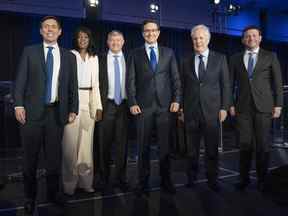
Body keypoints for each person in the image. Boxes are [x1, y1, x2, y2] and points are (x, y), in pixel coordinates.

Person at [14, 16, 78, 215]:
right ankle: (29, 197)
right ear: (41, 31)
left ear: (60, 32)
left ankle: (53, 194)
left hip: (56, 114)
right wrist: (18, 105)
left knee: (53, 159)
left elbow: (72, 87)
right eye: (46, 27)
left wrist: (73, 109)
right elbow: (20, 81)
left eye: (53, 27)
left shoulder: (69, 56)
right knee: (30, 160)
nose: (50, 29)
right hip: (31, 114)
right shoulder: (29, 52)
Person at [126, 19, 181, 195]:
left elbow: (176, 79)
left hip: (165, 107)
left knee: (165, 147)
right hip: (143, 107)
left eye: (153, 30)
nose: (150, 33)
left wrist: (177, 100)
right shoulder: (134, 54)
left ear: (158, 32)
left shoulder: (169, 52)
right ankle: (142, 183)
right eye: (147, 31)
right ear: (143, 33)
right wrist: (133, 102)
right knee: (143, 147)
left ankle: (166, 181)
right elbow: (130, 81)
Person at [229, 26, 283, 191]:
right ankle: (243, 179)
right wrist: (230, 104)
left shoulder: (271, 56)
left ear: (260, 38)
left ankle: (262, 180)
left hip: (264, 107)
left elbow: (277, 83)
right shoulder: (235, 58)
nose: (250, 38)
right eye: (247, 36)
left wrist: (278, 104)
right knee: (244, 145)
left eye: (254, 35)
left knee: (262, 145)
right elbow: (229, 84)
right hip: (242, 108)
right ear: (243, 40)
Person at [180, 24, 230, 191]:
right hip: (191, 111)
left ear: (207, 39)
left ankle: (212, 179)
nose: (198, 41)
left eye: (201, 38)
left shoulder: (220, 58)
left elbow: (226, 85)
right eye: (195, 38)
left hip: (212, 111)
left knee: (211, 149)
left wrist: (224, 107)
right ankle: (191, 178)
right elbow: (181, 86)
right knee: (191, 150)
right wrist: (180, 108)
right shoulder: (185, 60)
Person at [62, 26, 102, 195]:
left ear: (89, 39)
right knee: (70, 147)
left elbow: (96, 84)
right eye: (80, 37)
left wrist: (98, 107)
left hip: (89, 104)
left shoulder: (94, 58)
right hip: (73, 102)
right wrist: (67, 106)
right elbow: (64, 83)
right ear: (76, 39)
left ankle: (86, 183)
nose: (83, 40)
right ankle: (69, 185)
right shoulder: (70, 55)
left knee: (86, 148)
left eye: (86, 37)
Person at [96, 30, 129, 190]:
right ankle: (104, 179)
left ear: (123, 42)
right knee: (104, 145)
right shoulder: (99, 59)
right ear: (107, 42)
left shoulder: (130, 59)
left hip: (124, 106)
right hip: (106, 105)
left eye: (118, 40)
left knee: (122, 145)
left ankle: (121, 179)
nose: (115, 43)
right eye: (112, 40)